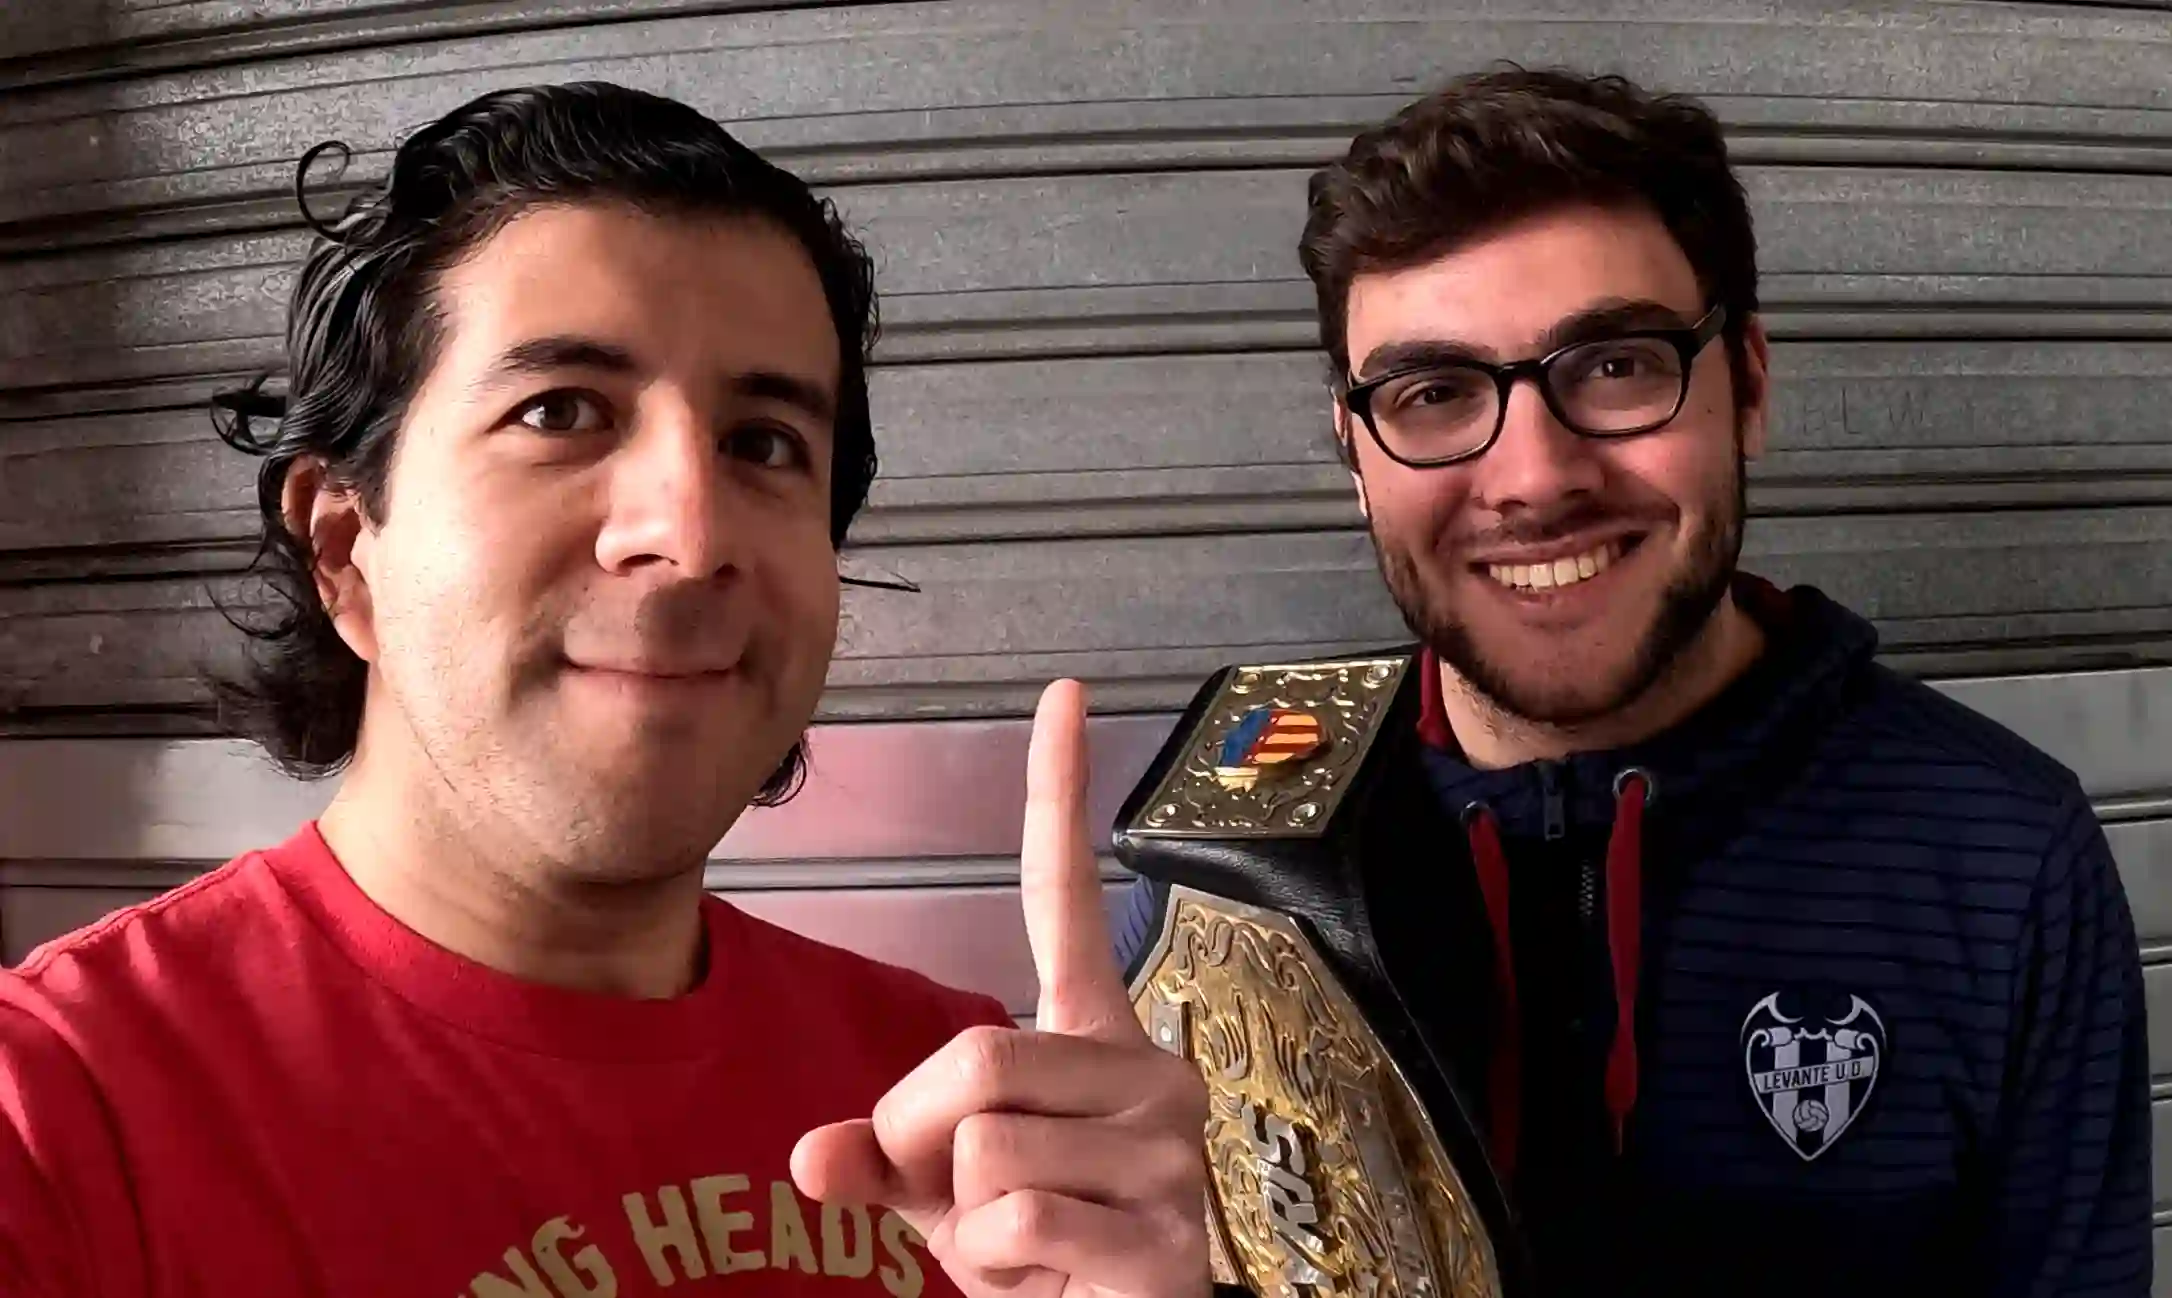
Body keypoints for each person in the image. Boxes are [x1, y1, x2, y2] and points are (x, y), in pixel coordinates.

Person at [0, 83, 1213, 1298]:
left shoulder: (967, 1118)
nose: (690, 534)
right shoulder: (55, 1116)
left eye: (763, 442)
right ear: (344, 545)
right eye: (560, 412)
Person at [1114, 67, 2150, 1295]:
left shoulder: (2000, 853)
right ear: (1354, 452)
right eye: (1434, 393)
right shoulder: (1232, 841)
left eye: (1613, 365)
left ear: (1747, 385)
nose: (1534, 478)